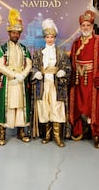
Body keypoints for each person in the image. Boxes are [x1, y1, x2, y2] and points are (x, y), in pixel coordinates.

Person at [69, 9, 99, 149]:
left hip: (92, 81)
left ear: (92, 27)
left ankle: (96, 134)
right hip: (79, 81)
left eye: (88, 26)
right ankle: (81, 130)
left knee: (94, 106)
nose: (85, 28)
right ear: (80, 27)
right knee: (79, 105)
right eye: (83, 26)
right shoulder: (76, 43)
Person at [0, 8, 32, 146]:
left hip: (20, 83)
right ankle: (2, 134)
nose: (15, 35)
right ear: (9, 33)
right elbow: (0, 66)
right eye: (13, 32)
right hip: (8, 82)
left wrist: (23, 75)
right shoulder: (3, 49)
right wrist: (14, 75)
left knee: (20, 106)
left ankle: (21, 132)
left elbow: (29, 64)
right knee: (6, 107)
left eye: (17, 33)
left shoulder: (24, 49)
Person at [31, 18, 71, 147]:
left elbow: (67, 67)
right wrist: (36, 72)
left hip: (56, 85)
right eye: (47, 37)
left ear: (55, 38)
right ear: (44, 38)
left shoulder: (60, 53)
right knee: (44, 108)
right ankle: (47, 135)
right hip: (42, 85)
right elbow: (33, 67)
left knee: (57, 108)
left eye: (52, 37)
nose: (49, 39)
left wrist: (63, 72)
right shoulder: (38, 53)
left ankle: (57, 136)